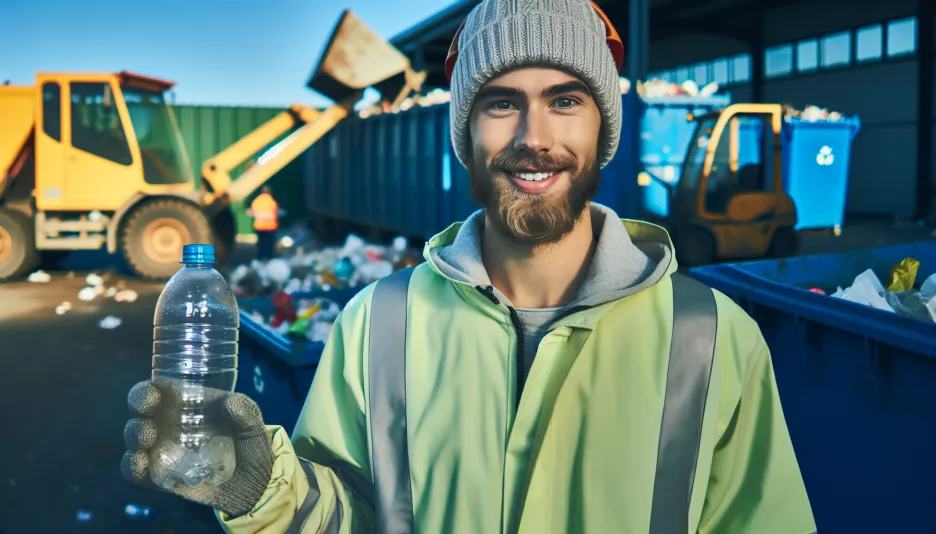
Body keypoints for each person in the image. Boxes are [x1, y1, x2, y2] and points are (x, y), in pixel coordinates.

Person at [121, 0, 817, 532]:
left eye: (566, 101)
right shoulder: (380, 323)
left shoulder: (713, 337)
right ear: (465, 131)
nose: (533, 138)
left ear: (603, 127)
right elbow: (350, 518)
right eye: (501, 102)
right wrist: (260, 488)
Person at [248, 185, 281, 261]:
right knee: (269, 244)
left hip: (259, 226)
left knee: (261, 243)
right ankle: (268, 258)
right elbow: (276, 212)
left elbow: (252, 212)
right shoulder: (272, 201)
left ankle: (260, 257)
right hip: (270, 227)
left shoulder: (256, 201)